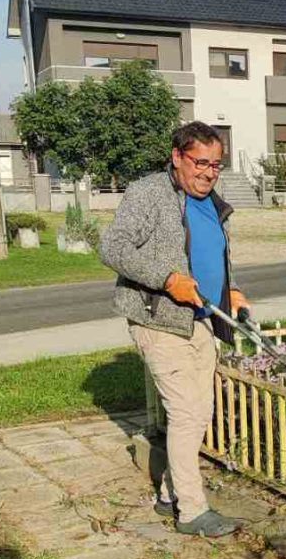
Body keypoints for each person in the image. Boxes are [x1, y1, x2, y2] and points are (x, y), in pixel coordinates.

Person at [100, 121, 250, 537]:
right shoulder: (148, 193)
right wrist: (167, 280)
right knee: (187, 414)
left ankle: (170, 493)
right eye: (200, 163)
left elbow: (213, 253)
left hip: (202, 320)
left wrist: (231, 290)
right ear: (177, 157)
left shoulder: (212, 201)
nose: (208, 172)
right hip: (160, 320)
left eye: (216, 165)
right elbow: (112, 248)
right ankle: (192, 511)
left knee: (199, 412)